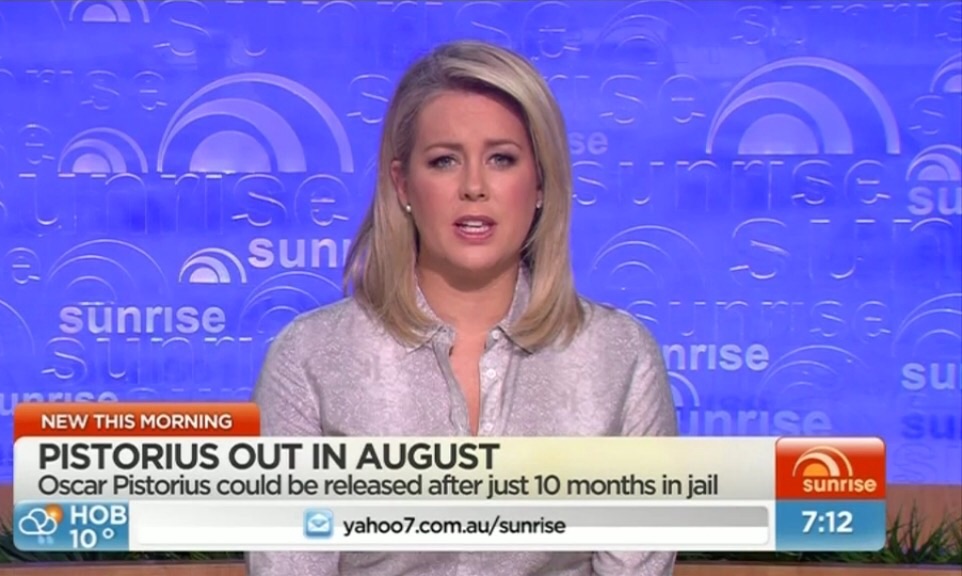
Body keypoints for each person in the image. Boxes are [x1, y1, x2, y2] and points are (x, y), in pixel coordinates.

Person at [248, 40, 677, 576]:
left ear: (540, 182)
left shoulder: (617, 356)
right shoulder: (310, 357)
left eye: (502, 159)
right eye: (444, 161)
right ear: (403, 184)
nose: (474, 187)